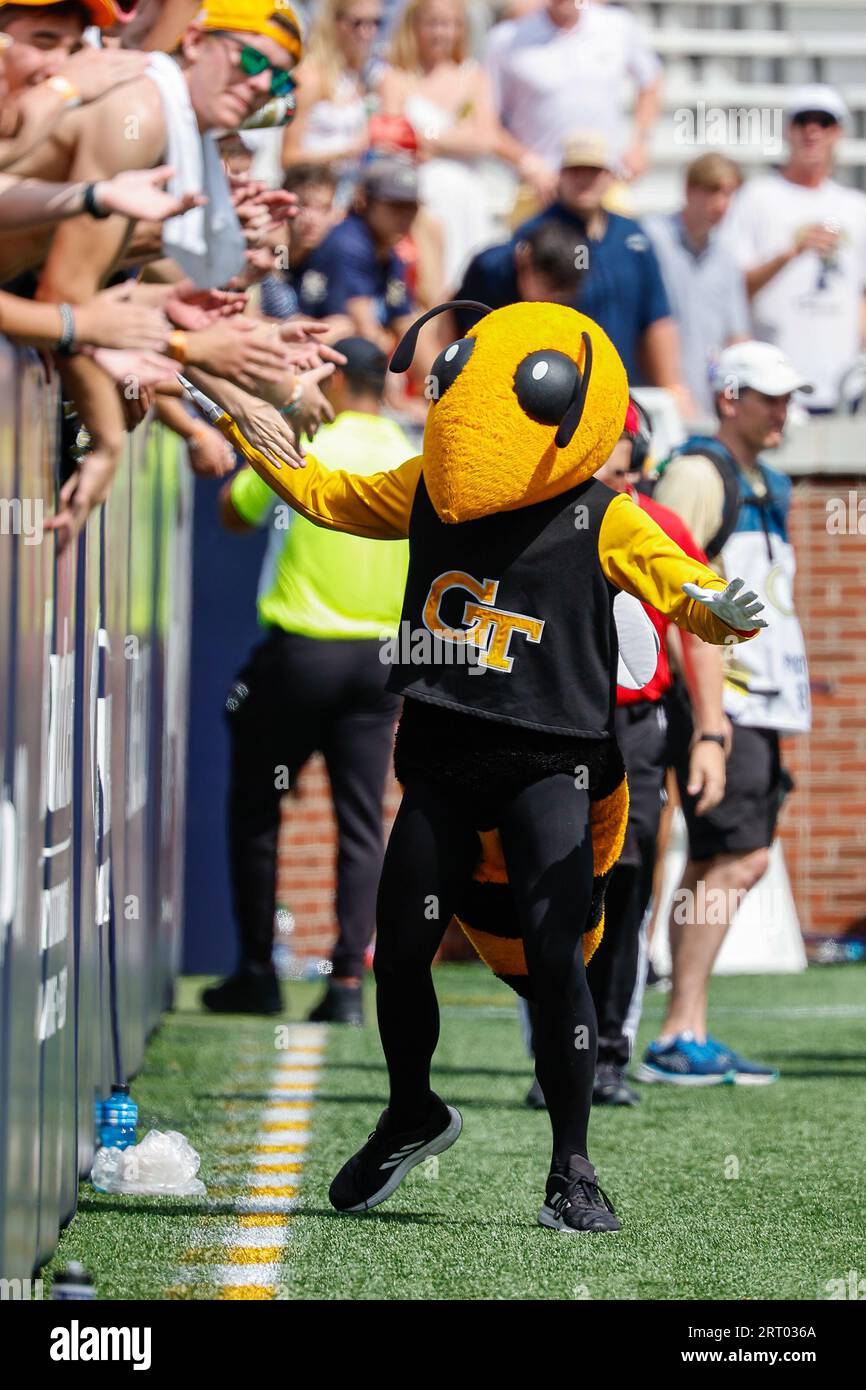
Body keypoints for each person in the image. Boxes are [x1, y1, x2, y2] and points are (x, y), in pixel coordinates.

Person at [218, 297, 767, 1233]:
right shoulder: (430, 488)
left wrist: (724, 609)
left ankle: (572, 1166)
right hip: (440, 749)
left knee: (560, 962)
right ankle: (410, 1111)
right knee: (400, 949)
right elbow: (327, 497)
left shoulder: (607, 513)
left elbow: (682, 589)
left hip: (551, 760)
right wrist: (243, 415)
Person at [524, 400, 729, 1109]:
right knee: (549, 879)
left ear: (637, 457)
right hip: (551, 718)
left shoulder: (658, 525)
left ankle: (609, 1050)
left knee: (626, 877)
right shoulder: (538, 512)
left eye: (614, 450)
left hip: (633, 725)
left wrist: (710, 732)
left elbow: (700, 626)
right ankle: (552, 1052)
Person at [203, 337, 413, 1022]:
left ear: (329, 377)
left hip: (300, 655)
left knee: (259, 810)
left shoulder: (305, 434)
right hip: (380, 660)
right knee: (361, 822)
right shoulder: (411, 451)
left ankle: (259, 972)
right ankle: (348, 984)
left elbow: (235, 513)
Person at [640, 341, 813, 1086]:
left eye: (787, 395)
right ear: (728, 398)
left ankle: (686, 1029)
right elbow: (663, 581)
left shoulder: (764, 480)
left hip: (756, 702)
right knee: (736, 858)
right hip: (724, 701)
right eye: (767, 395)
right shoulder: (698, 472)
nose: (783, 409)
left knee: (717, 856)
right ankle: (679, 1029)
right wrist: (709, 718)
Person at [456, 130, 693, 411]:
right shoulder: (536, 233)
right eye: (575, 170)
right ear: (560, 174)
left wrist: (671, 385)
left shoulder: (633, 238)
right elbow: (483, 290)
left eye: (593, 170)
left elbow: (656, 315)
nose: (584, 179)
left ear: (609, 176)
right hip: (553, 389)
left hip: (617, 387)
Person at [723, 84, 866, 414]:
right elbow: (735, 288)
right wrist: (791, 253)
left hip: (844, 384)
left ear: (838, 133)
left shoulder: (856, 207)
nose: (812, 130)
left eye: (824, 121)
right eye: (803, 121)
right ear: (789, 130)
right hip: (773, 385)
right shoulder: (758, 197)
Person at [376, 0, 534, 288]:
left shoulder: (473, 77)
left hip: (467, 195)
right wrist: (459, 136)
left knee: (470, 280)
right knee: (428, 283)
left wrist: (430, 139)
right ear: (415, 27)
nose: (441, 33)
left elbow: (486, 138)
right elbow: (392, 136)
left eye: (449, 24)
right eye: (432, 24)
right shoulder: (395, 76)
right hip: (420, 196)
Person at [485, 0, 662, 191]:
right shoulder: (506, 39)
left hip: (606, 178)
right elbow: (485, 119)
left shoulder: (618, 25)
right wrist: (526, 161)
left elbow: (650, 82)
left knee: (624, 220)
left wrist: (640, 144)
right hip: (542, 186)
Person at [644, 153, 749, 417]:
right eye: (714, 191)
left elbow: (736, 337)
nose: (722, 204)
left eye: (729, 194)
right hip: (654, 400)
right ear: (689, 190)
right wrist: (671, 386)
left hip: (706, 403)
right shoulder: (650, 239)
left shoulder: (726, 257)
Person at [293, 155, 417, 350]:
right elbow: (364, 328)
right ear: (364, 201)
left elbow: (406, 323)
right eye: (395, 206)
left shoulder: (390, 252)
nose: (405, 216)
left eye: (412, 206)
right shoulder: (349, 242)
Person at [281, 0, 380, 192]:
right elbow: (288, 157)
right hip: (309, 196)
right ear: (334, 22)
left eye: (376, 22)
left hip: (344, 199)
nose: (368, 32)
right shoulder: (310, 77)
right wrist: (346, 151)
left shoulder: (357, 76)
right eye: (357, 23)